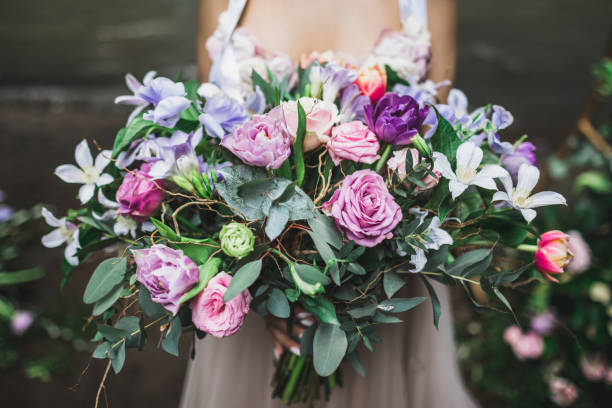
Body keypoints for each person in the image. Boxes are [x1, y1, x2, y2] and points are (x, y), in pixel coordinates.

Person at [181, 1, 478, 406]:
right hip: (250, 298)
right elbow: (211, 150)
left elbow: (436, 150)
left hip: (379, 298)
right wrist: (272, 288)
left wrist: (345, 284)